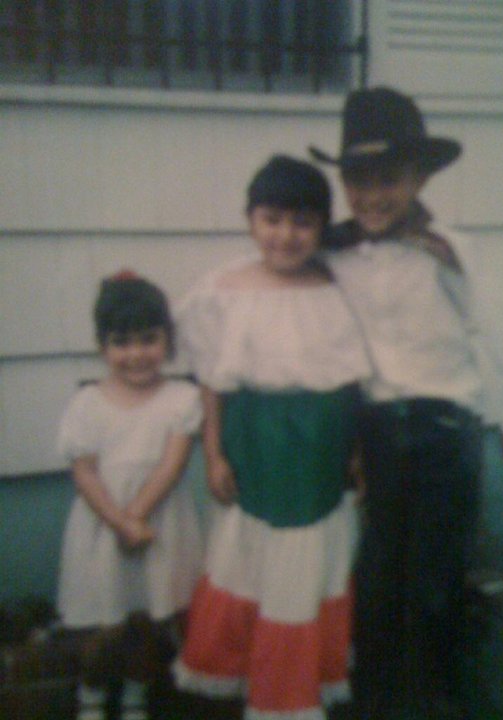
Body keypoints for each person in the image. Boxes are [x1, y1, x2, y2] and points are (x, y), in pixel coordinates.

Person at [171, 155, 372, 720]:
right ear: (251, 219)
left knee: (305, 568)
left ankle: (293, 690)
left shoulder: (336, 287)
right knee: (253, 563)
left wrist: (355, 452)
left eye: (303, 222)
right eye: (273, 219)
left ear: (321, 226)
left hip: (320, 454)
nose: (286, 235)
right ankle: (248, 675)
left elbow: (350, 382)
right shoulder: (223, 291)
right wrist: (212, 455)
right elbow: (212, 383)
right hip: (256, 448)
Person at [310, 87, 483, 720]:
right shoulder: (331, 252)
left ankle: (436, 696)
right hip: (378, 430)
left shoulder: (450, 252)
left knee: (435, 579)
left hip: (446, 429)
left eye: (389, 179)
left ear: (420, 178)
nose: (372, 195)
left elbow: (492, 324)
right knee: (378, 575)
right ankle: (374, 696)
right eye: (358, 180)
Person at [57, 271, 203, 720]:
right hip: (104, 526)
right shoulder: (87, 403)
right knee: (105, 628)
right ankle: (93, 696)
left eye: (148, 339)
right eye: (122, 342)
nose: (136, 353)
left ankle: (139, 695)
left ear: (167, 341)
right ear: (103, 346)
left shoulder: (181, 397)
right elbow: (84, 472)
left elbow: (171, 465)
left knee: (150, 620)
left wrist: (137, 517)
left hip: (158, 523)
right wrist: (121, 523)